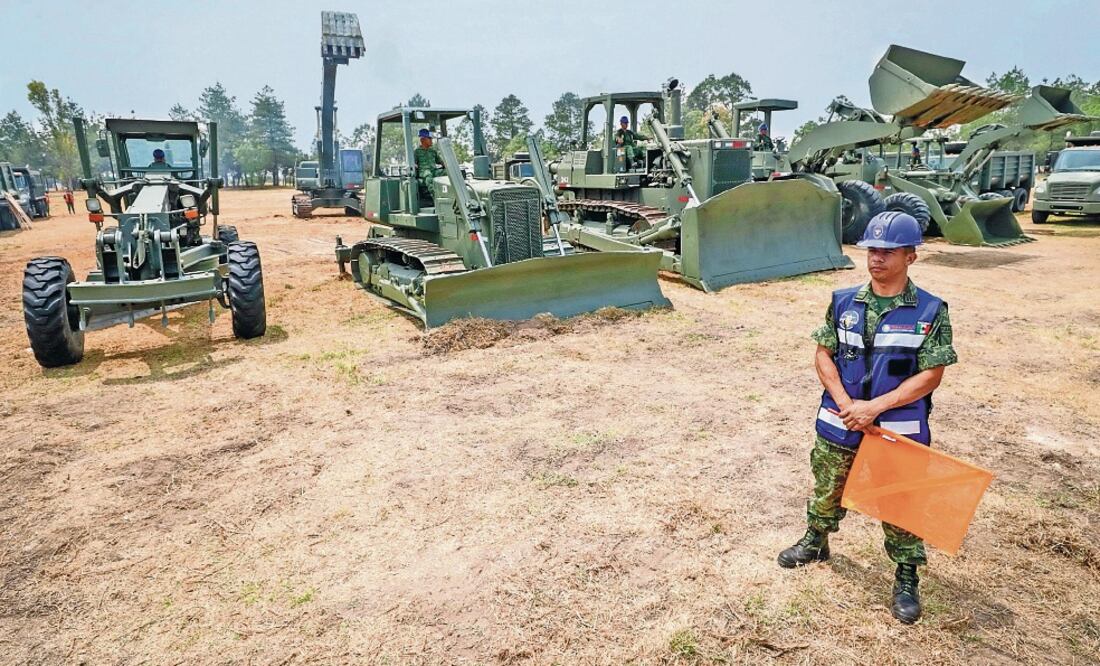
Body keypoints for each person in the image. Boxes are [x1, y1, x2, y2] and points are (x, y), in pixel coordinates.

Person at [777, 211, 957, 625]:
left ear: (911, 256)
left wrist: (873, 408)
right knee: (827, 486)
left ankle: (906, 576)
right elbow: (823, 353)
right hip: (840, 420)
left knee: (900, 501)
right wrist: (846, 403)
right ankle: (816, 541)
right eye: (872, 250)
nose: (876, 259)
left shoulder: (930, 309)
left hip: (896, 428)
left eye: (888, 251)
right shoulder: (843, 301)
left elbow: (932, 374)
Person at [413, 128, 445, 196]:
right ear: (422, 140)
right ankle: (435, 196)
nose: (431, 140)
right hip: (423, 172)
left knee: (446, 172)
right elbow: (413, 163)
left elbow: (440, 161)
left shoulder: (433, 151)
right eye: (429, 139)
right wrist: (414, 165)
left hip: (434, 171)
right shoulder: (417, 152)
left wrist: (446, 166)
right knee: (428, 175)